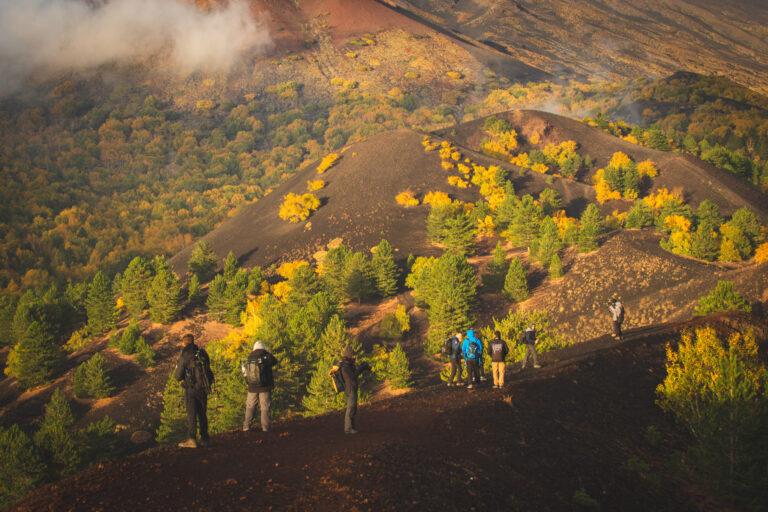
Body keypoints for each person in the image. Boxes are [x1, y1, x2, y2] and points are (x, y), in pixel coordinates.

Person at [174, 333, 214, 448]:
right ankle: (205, 438)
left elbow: (178, 376)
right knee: (202, 413)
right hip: (203, 388)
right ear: (193, 341)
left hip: (190, 389)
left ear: (184, 342)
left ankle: (192, 439)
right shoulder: (202, 353)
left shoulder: (185, 355)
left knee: (191, 414)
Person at [241, 341, 278, 433]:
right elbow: (275, 361)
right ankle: (265, 428)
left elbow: (245, 372)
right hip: (265, 387)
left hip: (252, 387)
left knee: (250, 406)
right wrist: (268, 352)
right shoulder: (266, 356)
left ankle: (246, 426)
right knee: (265, 407)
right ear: (263, 347)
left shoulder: (249, 357)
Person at [339, 345, 371, 434]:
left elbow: (354, 375)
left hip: (351, 388)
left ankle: (351, 428)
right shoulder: (345, 366)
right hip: (350, 389)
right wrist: (361, 368)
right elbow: (352, 376)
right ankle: (348, 429)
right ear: (349, 354)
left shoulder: (348, 364)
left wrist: (362, 368)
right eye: (352, 354)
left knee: (353, 408)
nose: (354, 356)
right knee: (350, 408)